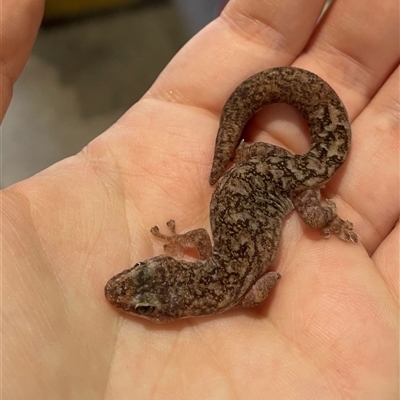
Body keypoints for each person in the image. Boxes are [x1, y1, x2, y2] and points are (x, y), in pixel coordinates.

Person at [2, 0, 398, 398]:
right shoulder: (215, 267)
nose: (132, 275)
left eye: (143, 267)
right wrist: (187, 241)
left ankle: (317, 209)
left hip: (284, 180)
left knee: (312, 216)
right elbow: (229, 257)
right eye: (144, 303)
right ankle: (314, 208)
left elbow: (267, 281)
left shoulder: (238, 294)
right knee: (313, 215)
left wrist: (262, 280)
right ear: (175, 305)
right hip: (272, 169)